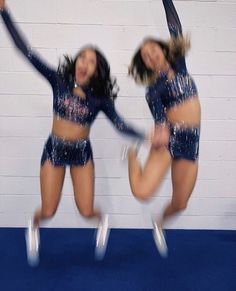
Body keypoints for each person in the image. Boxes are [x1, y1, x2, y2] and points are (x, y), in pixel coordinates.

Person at [0, 0, 145, 265]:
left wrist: (146, 137)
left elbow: (120, 124)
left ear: (96, 69)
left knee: (86, 210)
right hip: (54, 150)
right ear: (76, 61)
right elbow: (25, 51)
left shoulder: (100, 98)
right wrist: (4, 13)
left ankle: (103, 221)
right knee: (48, 210)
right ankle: (32, 227)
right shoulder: (59, 81)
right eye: (83, 57)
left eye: (91, 61)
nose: (85, 63)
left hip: (81, 155)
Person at [128, 0, 201, 257]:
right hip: (171, 140)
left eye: (153, 50)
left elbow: (175, 26)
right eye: (146, 56)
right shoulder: (153, 89)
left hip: (191, 142)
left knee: (180, 203)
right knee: (141, 192)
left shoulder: (180, 65)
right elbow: (160, 118)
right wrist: (160, 130)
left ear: (163, 49)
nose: (151, 55)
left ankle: (159, 223)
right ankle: (131, 157)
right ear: (146, 64)